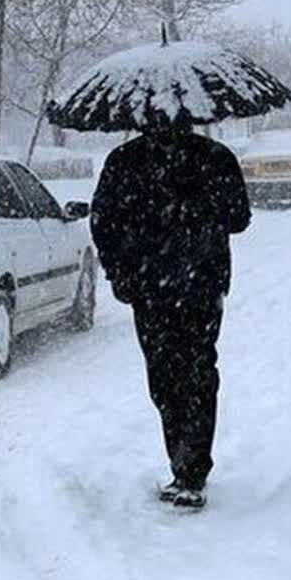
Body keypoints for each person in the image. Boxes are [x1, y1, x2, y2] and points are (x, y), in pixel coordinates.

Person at [91, 119, 251, 510]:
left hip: (151, 288)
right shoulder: (215, 157)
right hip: (201, 284)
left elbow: (102, 224)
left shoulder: (124, 160)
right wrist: (199, 209)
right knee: (198, 370)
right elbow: (239, 219)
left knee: (164, 373)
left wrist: (121, 271)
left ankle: (183, 461)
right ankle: (191, 468)